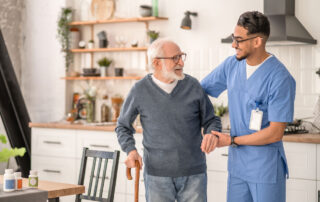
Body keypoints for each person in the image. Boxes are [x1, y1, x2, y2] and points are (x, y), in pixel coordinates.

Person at [201, 11, 296, 202]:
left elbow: (275, 133)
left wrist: (232, 140)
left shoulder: (280, 78)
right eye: (233, 39)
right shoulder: (231, 66)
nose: (233, 45)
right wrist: (211, 125)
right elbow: (199, 91)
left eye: (239, 40)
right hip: (238, 167)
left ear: (257, 41)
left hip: (265, 168)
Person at [116, 38, 221, 202]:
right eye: (175, 58)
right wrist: (131, 150)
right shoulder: (140, 90)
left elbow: (211, 120)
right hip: (157, 176)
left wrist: (212, 134)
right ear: (157, 63)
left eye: (181, 56)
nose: (181, 62)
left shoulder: (193, 85)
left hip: (194, 173)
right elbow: (122, 126)